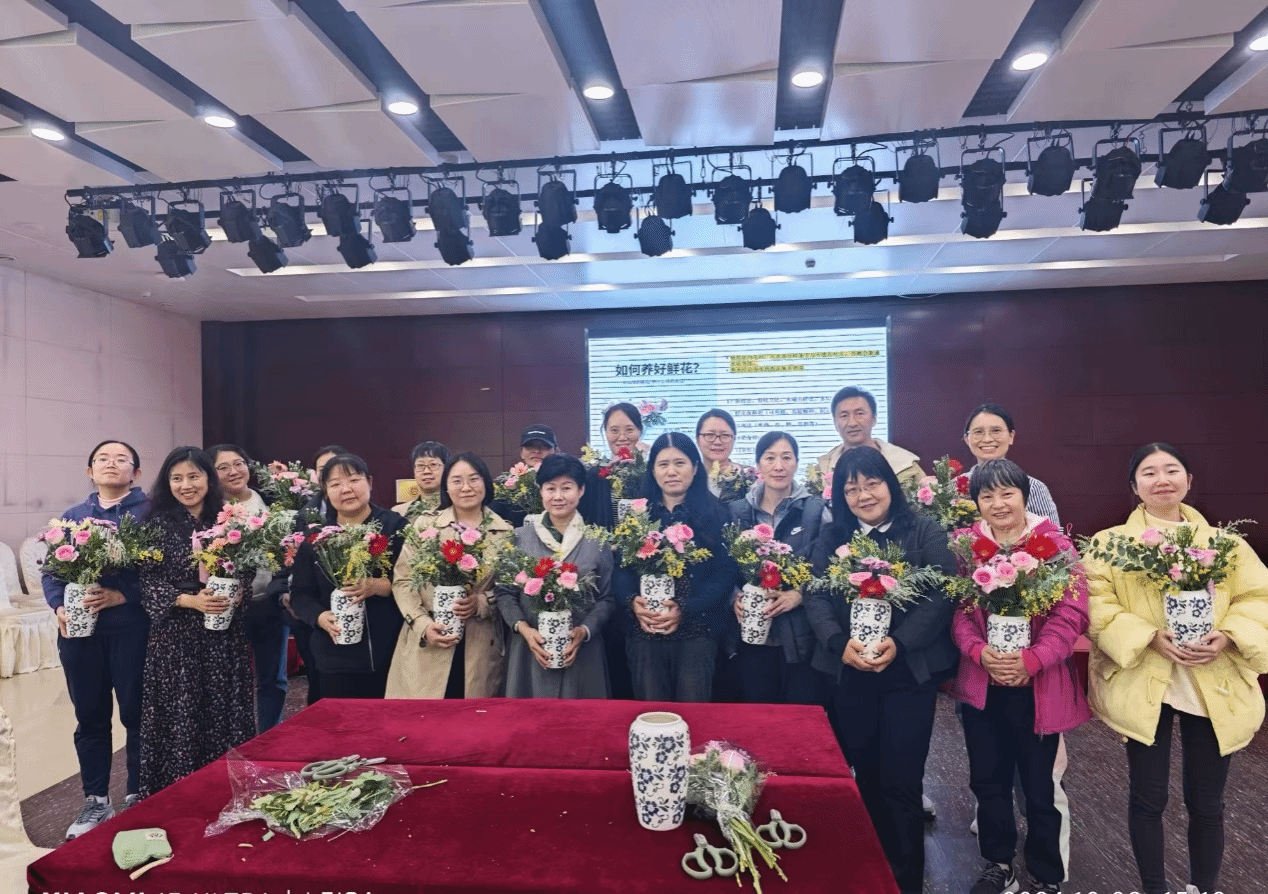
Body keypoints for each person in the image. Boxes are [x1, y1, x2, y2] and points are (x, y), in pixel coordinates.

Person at [1084, 442, 1268, 894]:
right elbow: (1097, 604)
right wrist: (1147, 636)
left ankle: (1203, 887)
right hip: (1145, 678)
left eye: (1171, 470)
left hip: (1213, 678)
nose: (1161, 479)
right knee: (1148, 798)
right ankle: (1154, 887)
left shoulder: (1226, 544)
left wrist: (1229, 635)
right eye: (1149, 472)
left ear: (1189, 480)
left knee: (1207, 802)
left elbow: (1257, 599)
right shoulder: (1109, 545)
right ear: (1134, 486)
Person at [805, 446, 955, 894]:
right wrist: (838, 643)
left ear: (890, 484)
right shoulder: (833, 538)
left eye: (872, 484)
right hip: (851, 672)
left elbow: (941, 594)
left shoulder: (924, 530)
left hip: (907, 674)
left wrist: (901, 642)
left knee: (902, 781)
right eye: (851, 489)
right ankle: (870, 877)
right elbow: (816, 594)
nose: (863, 495)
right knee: (866, 777)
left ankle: (905, 882)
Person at [948, 458, 1091, 894]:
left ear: (1024, 496)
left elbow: (1071, 613)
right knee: (987, 782)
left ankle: (1047, 874)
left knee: (1039, 787)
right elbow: (958, 612)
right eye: (986, 495)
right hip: (983, 684)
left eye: (1007, 493)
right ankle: (999, 865)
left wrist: (1034, 660)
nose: (998, 503)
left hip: (1037, 687)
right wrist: (979, 652)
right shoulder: (965, 547)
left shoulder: (1055, 545)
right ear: (976, 503)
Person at [41, 441, 150, 838]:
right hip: (81, 635)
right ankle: (96, 801)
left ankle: (139, 794)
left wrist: (124, 595)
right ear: (89, 470)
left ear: (136, 473)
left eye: (121, 459)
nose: (111, 464)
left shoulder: (152, 514)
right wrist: (59, 607)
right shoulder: (72, 518)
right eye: (102, 459)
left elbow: (167, 573)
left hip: (131, 630)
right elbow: (51, 573)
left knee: (137, 714)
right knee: (89, 717)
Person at [138, 447, 255, 797]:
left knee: (223, 708)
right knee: (181, 711)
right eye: (177, 478)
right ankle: (179, 791)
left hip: (223, 633)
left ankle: (226, 789)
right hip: (176, 636)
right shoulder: (155, 524)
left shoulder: (229, 519)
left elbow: (247, 569)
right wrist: (190, 601)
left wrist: (237, 591)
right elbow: (147, 581)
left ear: (209, 477)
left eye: (194, 476)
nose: (186, 485)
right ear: (167, 482)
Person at [614, 432, 739, 702]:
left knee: (694, 713)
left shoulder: (717, 513)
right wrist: (632, 601)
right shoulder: (637, 514)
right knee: (651, 712)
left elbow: (725, 574)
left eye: (679, 463)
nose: (671, 472)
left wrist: (684, 607)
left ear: (695, 467)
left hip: (698, 631)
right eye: (663, 464)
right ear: (652, 470)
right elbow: (621, 568)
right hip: (645, 631)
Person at [386, 453, 515, 699]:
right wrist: (422, 624)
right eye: (457, 481)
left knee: (473, 715)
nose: (466, 487)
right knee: (424, 717)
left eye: (474, 479)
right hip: (429, 639)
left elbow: (510, 589)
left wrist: (482, 602)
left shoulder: (505, 532)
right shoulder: (425, 526)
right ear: (446, 486)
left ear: (485, 483)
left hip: (480, 644)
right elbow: (403, 581)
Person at [289, 454, 407, 699]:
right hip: (335, 655)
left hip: (392, 650)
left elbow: (415, 582)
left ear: (369, 482)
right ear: (325, 491)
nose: (346, 489)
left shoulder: (395, 526)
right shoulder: (317, 538)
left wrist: (379, 586)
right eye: (335, 484)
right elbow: (300, 594)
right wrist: (320, 617)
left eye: (353, 480)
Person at [498, 453, 615, 698]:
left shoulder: (597, 541)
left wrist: (585, 630)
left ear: (581, 490)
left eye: (567, 488)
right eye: (550, 488)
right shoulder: (519, 538)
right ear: (540, 491)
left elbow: (606, 598)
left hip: (583, 654)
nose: (558, 496)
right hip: (529, 651)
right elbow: (505, 593)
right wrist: (524, 629)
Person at [727, 431, 830, 705]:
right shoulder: (737, 511)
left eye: (787, 457)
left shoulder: (817, 511)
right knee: (757, 715)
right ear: (758, 464)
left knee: (799, 714)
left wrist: (800, 594)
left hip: (800, 636)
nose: (779, 466)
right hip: (750, 636)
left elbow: (830, 569)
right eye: (770, 458)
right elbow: (723, 568)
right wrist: (734, 596)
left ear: (797, 463)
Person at [210, 444, 287, 734]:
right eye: (223, 467)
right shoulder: (210, 510)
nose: (234, 471)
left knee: (273, 678)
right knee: (229, 678)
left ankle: (269, 735)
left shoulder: (272, 501)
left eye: (239, 463)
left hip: (269, 602)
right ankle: (232, 739)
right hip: (228, 608)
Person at [272, 444, 346, 705]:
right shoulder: (300, 516)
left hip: (355, 612)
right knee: (319, 687)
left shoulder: (367, 514)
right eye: (324, 470)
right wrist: (284, 595)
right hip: (310, 617)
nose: (331, 474)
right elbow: (283, 563)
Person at [963, 403, 1060, 525]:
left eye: (996, 431)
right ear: (967, 439)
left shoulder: (1034, 487)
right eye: (978, 432)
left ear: (1011, 436)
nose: (987, 439)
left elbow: (1054, 533)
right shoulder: (952, 489)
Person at [817, 386, 925, 488]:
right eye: (844, 416)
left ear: (874, 419)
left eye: (859, 413)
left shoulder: (905, 465)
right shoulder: (822, 471)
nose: (852, 423)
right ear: (835, 423)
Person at [491, 425, 559, 527]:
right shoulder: (507, 486)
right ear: (521, 453)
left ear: (556, 451)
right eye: (530, 446)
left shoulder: (566, 483)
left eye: (544, 446)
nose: (536, 451)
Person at [696, 409, 754, 501]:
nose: (717, 442)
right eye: (710, 435)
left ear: (734, 439)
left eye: (725, 435)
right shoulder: (688, 476)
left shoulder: (749, 476)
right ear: (697, 439)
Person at [393, 441, 450, 521]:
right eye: (420, 465)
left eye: (433, 465)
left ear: (446, 469)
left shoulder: (458, 509)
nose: (426, 471)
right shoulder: (399, 513)